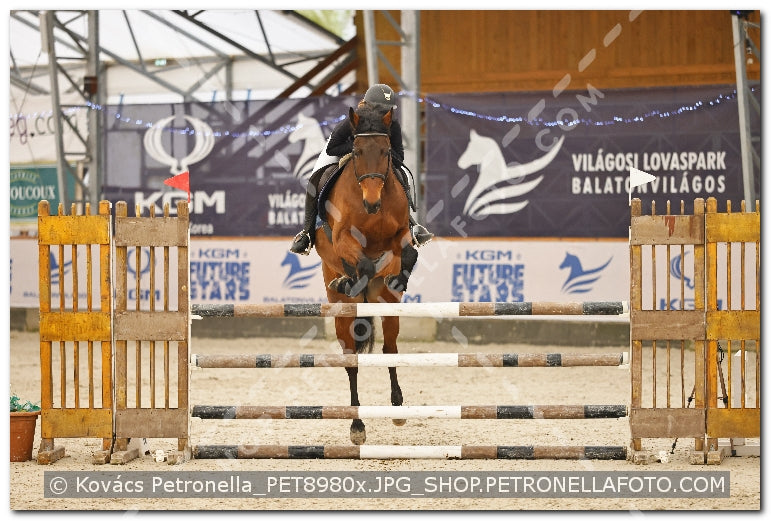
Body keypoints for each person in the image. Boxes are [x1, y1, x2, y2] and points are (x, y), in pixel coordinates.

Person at [289, 83, 433, 255]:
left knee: (403, 174)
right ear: (369, 106)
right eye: (380, 109)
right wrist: (359, 149)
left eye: (386, 110)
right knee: (316, 178)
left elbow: (399, 155)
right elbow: (332, 149)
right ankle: (307, 233)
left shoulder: (391, 124)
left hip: (376, 159)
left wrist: (378, 151)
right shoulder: (352, 121)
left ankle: (411, 224)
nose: (383, 114)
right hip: (341, 151)